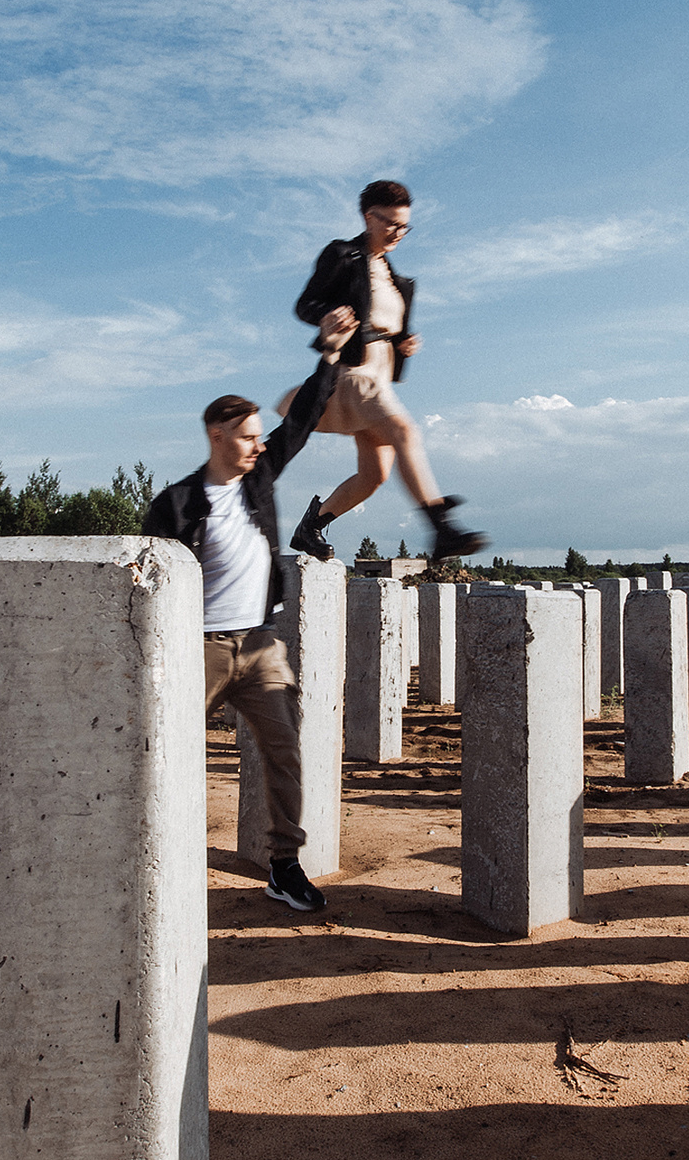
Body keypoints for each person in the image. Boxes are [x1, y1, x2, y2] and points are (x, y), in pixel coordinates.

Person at [142, 320, 355, 912]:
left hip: (260, 644)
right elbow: (150, 579)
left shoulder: (259, 479)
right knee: (166, 748)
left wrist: (331, 355)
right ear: (216, 435)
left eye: (260, 437)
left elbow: (303, 423)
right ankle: (153, 856)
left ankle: (284, 864)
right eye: (246, 437)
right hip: (200, 648)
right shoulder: (178, 503)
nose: (259, 445)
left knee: (284, 750)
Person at [286, 179, 488, 561]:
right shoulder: (342, 255)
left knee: (373, 475)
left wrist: (402, 344)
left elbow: (383, 323)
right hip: (351, 371)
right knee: (403, 430)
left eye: (404, 226)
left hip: (380, 376)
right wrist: (327, 314)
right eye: (390, 223)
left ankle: (310, 527)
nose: (398, 232)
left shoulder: (398, 280)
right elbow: (304, 304)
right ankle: (441, 527)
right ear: (368, 217)